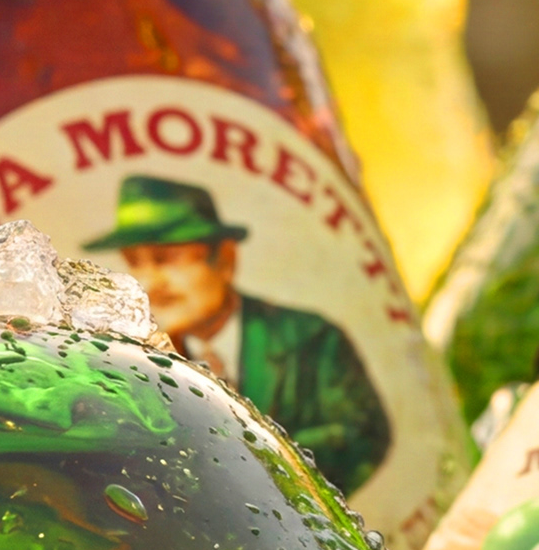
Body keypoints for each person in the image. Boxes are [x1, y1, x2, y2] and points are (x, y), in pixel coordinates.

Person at [85, 176, 392, 494]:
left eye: (166, 259)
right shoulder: (141, 367)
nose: (150, 284)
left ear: (225, 261)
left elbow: (363, 437)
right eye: (135, 263)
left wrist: (248, 463)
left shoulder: (312, 339)